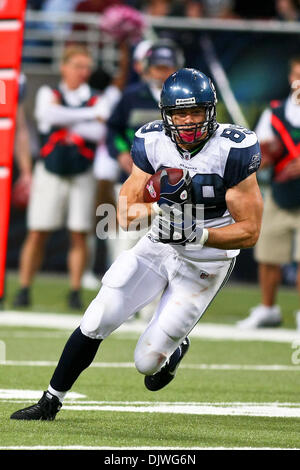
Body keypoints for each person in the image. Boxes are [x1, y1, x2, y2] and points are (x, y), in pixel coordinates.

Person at [10, 67, 263, 421]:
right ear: (166, 114)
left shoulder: (233, 149)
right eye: (179, 113)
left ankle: (174, 350)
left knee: (146, 363)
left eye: (195, 112)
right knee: (98, 316)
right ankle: (50, 401)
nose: (188, 122)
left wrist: (198, 233)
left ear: (211, 111)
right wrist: (161, 206)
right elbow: (126, 213)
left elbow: (250, 230)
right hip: (159, 243)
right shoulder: (152, 139)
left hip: (208, 258)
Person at [12, 45, 108, 310]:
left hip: (81, 172)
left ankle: (75, 290)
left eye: (86, 67)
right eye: (77, 65)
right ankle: (24, 288)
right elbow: (46, 115)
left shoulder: (96, 97)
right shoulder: (49, 93)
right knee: (38, 231)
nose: (83, 72)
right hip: (50, 171)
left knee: (79, 233)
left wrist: (65, 118)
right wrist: (88, 116)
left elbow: (99, 133)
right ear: (64, 67)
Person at [105, 39, 184, 263]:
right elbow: (114, 129)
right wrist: (121, 153)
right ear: (147, 68)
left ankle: (155, 295)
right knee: (129, 234)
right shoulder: (131, 96)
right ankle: (119, 287)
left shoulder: (184, 99)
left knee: (165, 238)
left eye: (167, 67)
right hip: (133, 175)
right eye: (158, 67)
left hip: (171, 180)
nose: (162, 72)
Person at [237, 56, 300, 330]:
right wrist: (267, 157)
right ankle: (267, 308)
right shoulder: (274, 112)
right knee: (268, 254)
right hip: (280, 190)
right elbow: (258, 156)